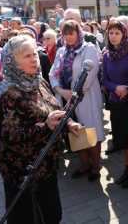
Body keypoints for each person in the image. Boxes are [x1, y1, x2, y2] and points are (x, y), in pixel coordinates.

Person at [0, 35, 82, 223]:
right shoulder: (8, 94)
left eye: (34, 53)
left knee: (52, 215)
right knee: (28, 218)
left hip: (46, 166)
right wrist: (46, 126)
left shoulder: (38, 82)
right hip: (23, 173)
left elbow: (53, 110)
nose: (34, 59)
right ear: (12, 62)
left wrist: (68, 123)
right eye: (26, 56)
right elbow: (9, 136)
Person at [49, 20, 105, 182]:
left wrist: (74, 93)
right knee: (75, 131)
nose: (68, 37)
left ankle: (95, 166)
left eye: (71, 33)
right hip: (66, 98)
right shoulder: (61, 51)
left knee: (90, 131)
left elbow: (90, 73)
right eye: (65, 34)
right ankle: (84, 164)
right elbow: (53, 74)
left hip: (85, 98)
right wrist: (60, 91)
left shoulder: (88, 49)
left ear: (78, 33)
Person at [101, 20, 128, 187]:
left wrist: (127, 88)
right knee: (121, 141)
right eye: (111, 33)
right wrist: (116, 87)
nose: (113, 36)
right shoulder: (106, 56)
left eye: (117, 33)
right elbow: (104, 80)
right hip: (115, 103)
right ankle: (127, 168)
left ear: (124, 35)